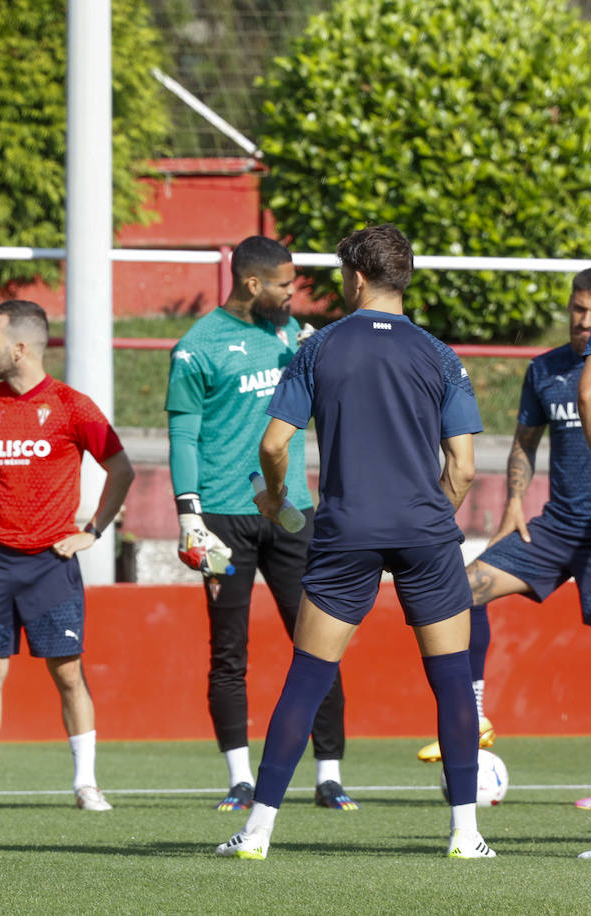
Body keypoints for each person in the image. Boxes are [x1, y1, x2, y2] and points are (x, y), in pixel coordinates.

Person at [217, 224, 489, 860]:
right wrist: (430, 518)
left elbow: (274, 445)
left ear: (358, 278)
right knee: (451, 681)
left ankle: (257, 832)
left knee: (307, 677)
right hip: (425, 533)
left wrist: (277, 503)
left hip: (344, 534)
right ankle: (466, 835)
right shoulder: (440, 354)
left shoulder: (320, 348)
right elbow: (465, 466)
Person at [166, 235, 354, 812]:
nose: (291, 294)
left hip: (292, 515)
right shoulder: (196, 347)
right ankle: (239, 779)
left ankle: (329, 775)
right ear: (252, 284)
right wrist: (189, 515)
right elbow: (183, 434)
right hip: (221, 523)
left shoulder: (289, 335)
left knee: (320, 639)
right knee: (229, 648)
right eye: (283, 285)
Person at [0, 300, 134, 814]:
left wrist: (92, 532)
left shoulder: (72, 405)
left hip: (51, 562)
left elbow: (120, 468)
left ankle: (86, 784)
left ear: (20, 348)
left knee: (68, 672)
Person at [413, 275, 591, 769]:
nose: (585, 320)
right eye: (578, 309)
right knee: (461, 590)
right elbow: (525, 443)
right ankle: (473, 718)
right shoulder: (546, 370)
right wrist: (515, 501)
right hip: (556, 529)